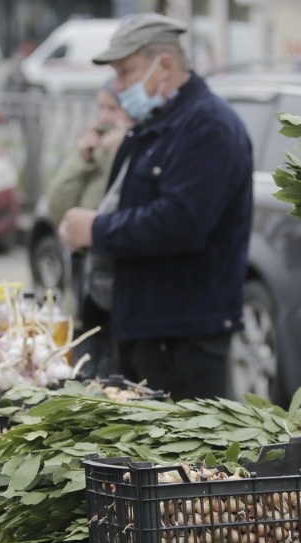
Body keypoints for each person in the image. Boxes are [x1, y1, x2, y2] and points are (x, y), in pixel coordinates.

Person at [57, 13, 253, 401]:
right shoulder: (154, 124)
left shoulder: (208, 126)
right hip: (147, 330)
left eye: (126, 72)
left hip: (183, 338)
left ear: (163, 65)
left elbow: (181, 222)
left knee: (184, 440)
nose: (118, 86)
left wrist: (95, 230)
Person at [43, 80, 132, 378]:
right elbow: (56, 208)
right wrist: (81, 159)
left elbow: (119, 212)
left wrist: (121, 155)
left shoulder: (134, 153)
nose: (104, 117)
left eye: (113, 108)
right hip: (84, 295)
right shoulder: (94, 154)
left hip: (117, 299)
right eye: (101, 108)